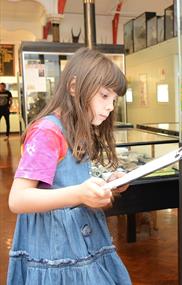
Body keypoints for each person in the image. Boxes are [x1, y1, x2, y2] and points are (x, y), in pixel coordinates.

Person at [7, 48, 132, 285]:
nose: (110, 107)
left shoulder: (76, 129)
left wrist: (108, 183)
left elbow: (69, 178)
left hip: (79, 237)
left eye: (114, 100)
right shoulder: (48, 131)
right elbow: (18, 199)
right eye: (104, 96)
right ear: (74, 87)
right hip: (55, 245)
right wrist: (79, 194)